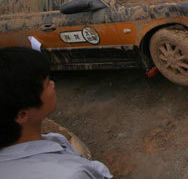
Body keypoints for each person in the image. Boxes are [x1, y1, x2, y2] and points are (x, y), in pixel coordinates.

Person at [0, 47, 112, 179]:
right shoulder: (72, 174)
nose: (53, 84)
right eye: (47, 84)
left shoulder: (45, 142)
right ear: (22, 115)